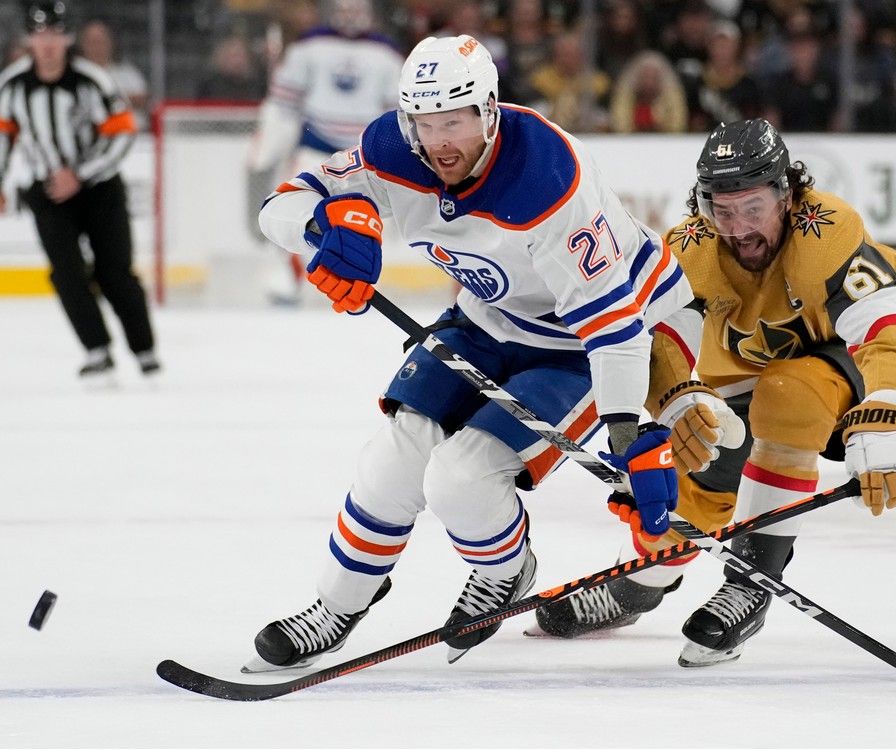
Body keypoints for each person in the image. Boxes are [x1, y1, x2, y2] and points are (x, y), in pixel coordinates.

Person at [249, 34, 696, 671]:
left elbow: (614, 322)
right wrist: (324, 228)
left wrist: (628, 429)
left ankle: (506, 573)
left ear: (489, 111)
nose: (440, 142)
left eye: (455, 121)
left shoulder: (546, 178)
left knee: (462, 477)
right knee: (391, 460)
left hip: (579, 340)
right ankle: (338, 603)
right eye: (425, 124)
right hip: (485, 319)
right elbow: (279, 205)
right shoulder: (391, 151)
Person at [532, 118, 896, 668]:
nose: (738, 227)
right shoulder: (691, 250)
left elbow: (890, 324)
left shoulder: (826, 231)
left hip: (851, 352)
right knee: (700, 459)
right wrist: (678, 400)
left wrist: (891, 407)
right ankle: (635, 587)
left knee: (788, 397)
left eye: (753, 208)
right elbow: (659, 341)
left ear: (787, 195)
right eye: (723, 209)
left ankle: (751, 579)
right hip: (755, 365)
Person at [0, 1, 159, 379]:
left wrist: (82, 174)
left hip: (99, 189)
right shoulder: (13, 85)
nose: (48, 43)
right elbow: (4, 136)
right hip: (49, 191)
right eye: (40, 35)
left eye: (55, 33)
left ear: (67, 38)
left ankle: (144, 350)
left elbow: (122, 132)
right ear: (29, 39)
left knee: (114, 272)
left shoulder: (92, 79)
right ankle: (97, 349)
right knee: (66, 273)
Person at [248, 0, 402, 304]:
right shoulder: (310, 47)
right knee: (295, 206)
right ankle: (286, 279)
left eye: (356, 11)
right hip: (315, 147)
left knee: (364, 219)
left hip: (364, 155)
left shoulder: (388, 55)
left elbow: (397, 114)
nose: (350, 18)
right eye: (344, 10)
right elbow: (283, 103)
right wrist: (268, 140)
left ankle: (357, 277)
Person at [77, 18, 149, 130]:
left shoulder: (128, 74)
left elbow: (143, 100)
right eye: (91, 41)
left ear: (111, 42)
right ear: (82, 44)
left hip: (134, 141)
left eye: (100, 41)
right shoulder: (73, 73)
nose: (96, 47)